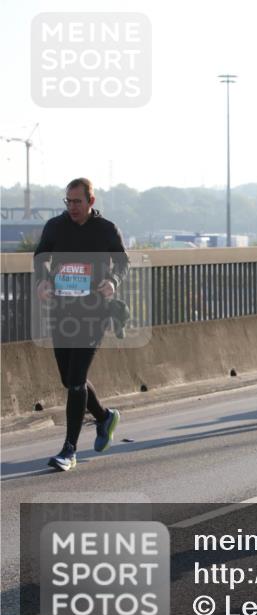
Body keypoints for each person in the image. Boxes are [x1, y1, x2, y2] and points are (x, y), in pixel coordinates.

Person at [34, 177, 129, 472]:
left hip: (94, 313)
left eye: (77, 202)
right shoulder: (55, 227)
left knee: (76, 381)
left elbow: (122, 261)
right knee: (69, 380)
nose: (72, 207)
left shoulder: (106, 230)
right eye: (68, 201)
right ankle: (103, 417)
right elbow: (41, 257)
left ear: (91, 201)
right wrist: (42, 281)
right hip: (61, 311)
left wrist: (113, 281)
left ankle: (69, 450)